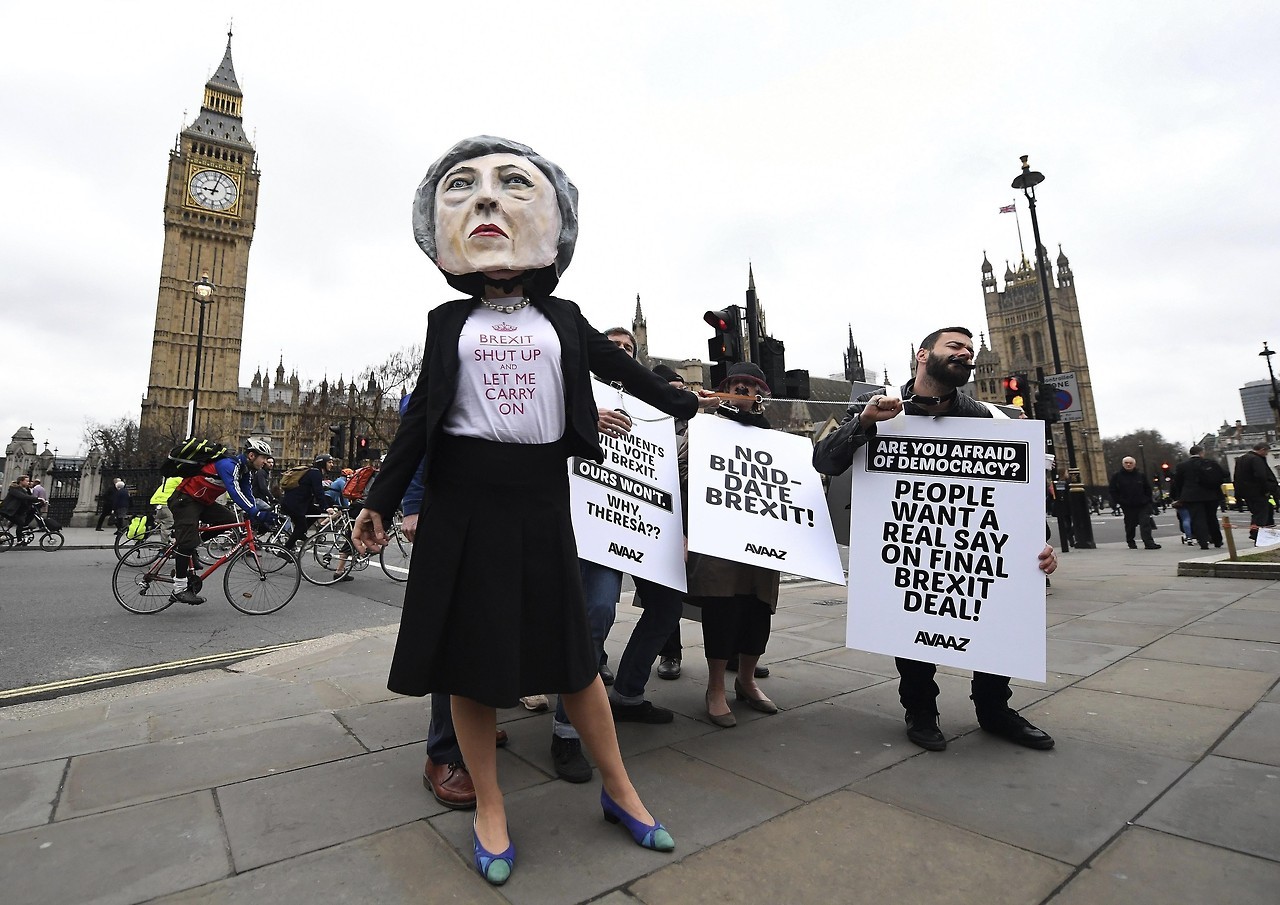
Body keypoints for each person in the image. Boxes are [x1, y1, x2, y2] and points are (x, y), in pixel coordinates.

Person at [352, 136, 715, 885]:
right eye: (467, 190)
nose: (487, 203)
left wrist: (689, 402)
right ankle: (490, 805)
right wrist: (379, 499)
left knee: (574, 663)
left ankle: (621, 789)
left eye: (512, 188)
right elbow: (420, 419)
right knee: (470, 665)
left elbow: (627, 372)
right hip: (462, 503)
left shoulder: (566, 317)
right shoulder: (446, 324)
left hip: (541, 498)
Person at [813, 326, 1059, 752]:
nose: (966, 353)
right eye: (955, 346)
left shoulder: (984, 419)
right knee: (912, 617)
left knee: (991, 612)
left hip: (970, 543)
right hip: (909, 539)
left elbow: (1012, 499)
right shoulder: (881, 408)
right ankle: (921, 710)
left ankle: (994, 708)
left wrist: (1038, 543)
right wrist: (866, 421)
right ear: (923, 356)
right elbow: (826, 461)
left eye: (970, 349)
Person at [685, 362, 782, 728]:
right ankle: (714, 689)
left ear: (761, 394)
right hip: (718, 537)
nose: (742, 389)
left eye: (750, 385)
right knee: (722, 609)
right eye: (736, 384)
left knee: (758, 608)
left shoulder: (772, 435)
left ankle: (746, 681)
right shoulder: (706, 427)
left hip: (760, 537)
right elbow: (682, 474)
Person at [168, 438, 276, 604]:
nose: (266, 461)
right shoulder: (228, 465)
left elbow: (248, 495)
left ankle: (190, 545)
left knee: (229, 520)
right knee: (187, 543)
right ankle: (179, 589)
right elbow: (234, 491)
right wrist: (256, 513)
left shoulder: (244, 471)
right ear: (252, 455)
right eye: (264, 457)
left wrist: (257, 514)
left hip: (202, 503)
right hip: (185, 500)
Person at [1171, 446, 1229, 550]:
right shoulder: (1210, 463)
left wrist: (1180, 495)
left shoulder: (1182, 466)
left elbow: (1177, 482)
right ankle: (1217, 540)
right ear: (1202, 452)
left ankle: (1203, 542)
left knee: (1198, 519)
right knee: (1212, 518)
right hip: (1211, 495)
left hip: (1192, 496)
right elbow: (1225, 474)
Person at [281, 454, 336, 550]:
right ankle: (285, 550)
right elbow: (318, 492)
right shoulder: (315, 473)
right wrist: (327, 507)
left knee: (316, 511)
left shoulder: (313, 473)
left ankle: (300, 533)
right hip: (294, 504)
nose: (332, 464)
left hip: (297, 503)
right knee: (301, 526)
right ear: (322, 463)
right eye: (329, 462)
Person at [1108, 457, 1160, 550]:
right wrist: (1119, 501)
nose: (1128, 465)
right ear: (1123, 464)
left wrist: (1148, 500)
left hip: (1142, 504)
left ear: (1134, 464)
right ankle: (1130, 541)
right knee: (1130, 525)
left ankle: (1148, 542)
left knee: (1145, 523)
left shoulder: (1140, 475)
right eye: (1126, 463)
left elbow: (1147, 488)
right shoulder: (1117, 476)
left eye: (1130, 463)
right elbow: (1113, 490)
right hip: (1127, 505)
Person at [1233, 441, 1278, 541]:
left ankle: (1254, 531)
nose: (1266, 454)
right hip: (1258, 491)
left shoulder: (1241, 459)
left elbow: (1237, 477)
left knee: (1255, 513)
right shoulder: (1256, 459)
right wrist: (1267, 488)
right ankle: (1258, 534)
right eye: (1266, 452)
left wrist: (1238, 493)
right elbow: (1261, 476)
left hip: (1246, 492)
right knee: (1262, 513)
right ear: (1262, 450)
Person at [149, 475, 183, 545]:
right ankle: (165, 546)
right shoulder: (180, 479)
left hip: (158, 503)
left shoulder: (172, 479)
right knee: (169, 523)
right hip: (163, 503)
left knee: (165, 522)